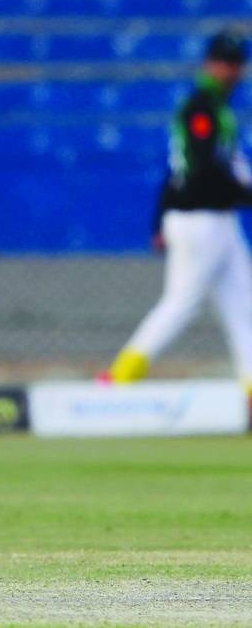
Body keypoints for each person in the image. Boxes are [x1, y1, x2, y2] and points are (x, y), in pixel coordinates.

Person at [104, 29, 251, 388]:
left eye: (236, 64)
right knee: (181, 303)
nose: (231, 71)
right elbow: (198, 169)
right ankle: (119, 377)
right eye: (225, 63)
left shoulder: (218, 109)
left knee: (243, 308)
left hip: (221, 219)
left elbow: (179, 167)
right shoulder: (201, 107)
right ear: (210, 64)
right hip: (198, 219)